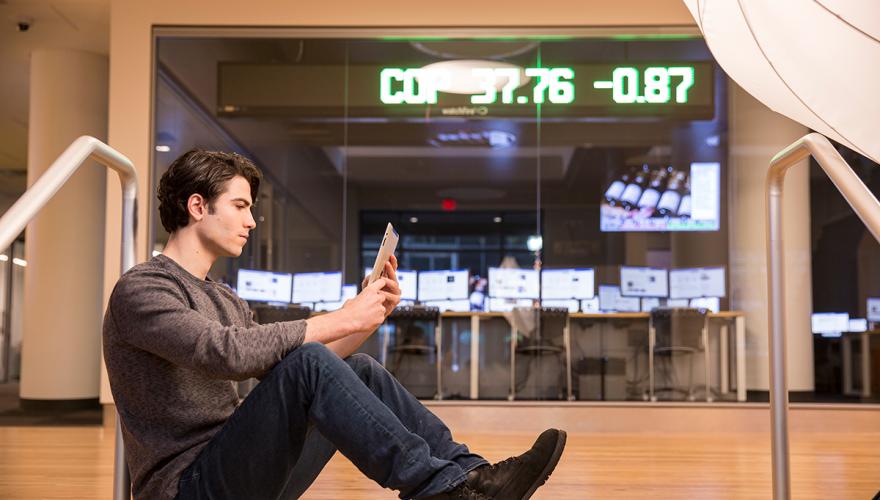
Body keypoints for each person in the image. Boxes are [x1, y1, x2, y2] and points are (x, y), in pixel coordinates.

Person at [103, 149, 567, 500]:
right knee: (308, 360)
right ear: (198, 206)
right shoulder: (143, 289)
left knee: (359, 368)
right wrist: (342, 316)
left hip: (240, 467)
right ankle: (438, 490)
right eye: (241, 206)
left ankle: (473, 479)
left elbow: (293, 373)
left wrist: (368, 314)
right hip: (189, 486)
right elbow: (225, 352)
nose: (252, 221)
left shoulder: (223, 295)